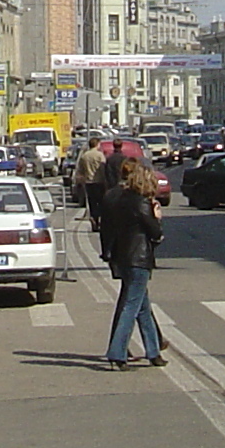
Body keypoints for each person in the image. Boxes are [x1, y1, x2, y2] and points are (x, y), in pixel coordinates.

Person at [99, 157, 166, 368]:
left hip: (123, 257)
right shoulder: (142, 203)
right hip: (139, 258)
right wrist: (156, 217)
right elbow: (155, 233)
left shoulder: (120, 199)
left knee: (142, 306)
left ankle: (153, 351)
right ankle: (117, 353)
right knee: (131, 306)